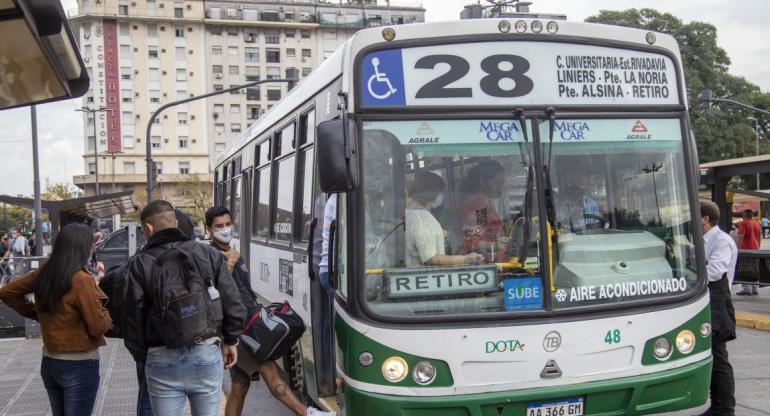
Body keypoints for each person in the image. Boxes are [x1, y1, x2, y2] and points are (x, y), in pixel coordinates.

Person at [204, 206, 335, 416]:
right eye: (219, 226)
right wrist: (230, 261)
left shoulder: (233, 252)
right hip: (239, 328)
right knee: (270, 370)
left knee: (240, 386)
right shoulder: (212, 255)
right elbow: (216, 290)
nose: (225, 229)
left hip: (247, 322)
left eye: (228, 224)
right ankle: (306, 413)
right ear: (209, 229)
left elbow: (243, 289)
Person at [123, 200, 246, 416]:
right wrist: (230, 340)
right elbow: (232, 301)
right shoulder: (207, 254)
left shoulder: (140, 263)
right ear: (176, 223)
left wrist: (144, 354)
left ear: (148, 229)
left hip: (161, 357)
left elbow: (132, 317)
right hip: (205, 352)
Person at [0, 223, 112, 416]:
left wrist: (42, 314)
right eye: (90, 245)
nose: (92, 249)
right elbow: (97, 327)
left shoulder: (46, 271)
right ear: (82, 248)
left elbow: (7, 292)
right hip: (79, 363)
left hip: (50, 362)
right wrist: (108, 315)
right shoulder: (81, 279)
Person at [698, 200, 738, 416]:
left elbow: (714, 271)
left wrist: (691, 275)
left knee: (719, 356)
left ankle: (725, 408)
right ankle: (718, 405)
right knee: (712, 355)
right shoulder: (702, 240)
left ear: (705, 219)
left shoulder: (721, 241)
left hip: (718, 303)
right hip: (707, 301)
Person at [407, 172, 483, 267]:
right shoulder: (422, 218)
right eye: (441, 192)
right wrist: (465, 259)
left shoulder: (408, 213)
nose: (442, 196)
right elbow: (431, 258)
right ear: (433, 192)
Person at [458, 160, 510, 263]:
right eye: (496, 183)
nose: (500, 187)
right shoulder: (478, 206)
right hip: (484, 268)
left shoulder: (483, 203)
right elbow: (472, 242)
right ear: (482, 182)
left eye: (502, 183)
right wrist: (495, 245)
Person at [556, 164, 601, 232]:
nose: (576, 187)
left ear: (587, 183)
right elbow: (556, 229)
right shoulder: (557, 203)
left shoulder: (592, 205)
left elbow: (597, 229)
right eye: (573, 182)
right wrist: (574, 216)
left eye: (580, 183)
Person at [735, 209, 760, 296]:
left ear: (744, 216)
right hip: (755, 249)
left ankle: (747, 289)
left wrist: (736, 247)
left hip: (745, 249)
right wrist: (758, 247)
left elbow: (741, 236)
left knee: (744, 269)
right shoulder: (756, 223)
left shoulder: (744, 223)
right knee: (754, 269)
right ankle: (754, 288)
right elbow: (759, 237)